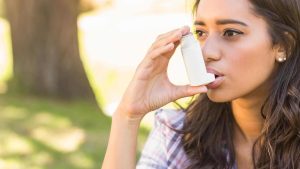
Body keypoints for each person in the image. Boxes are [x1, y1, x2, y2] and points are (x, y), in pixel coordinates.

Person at [102, 0, 300, 168]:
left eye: (230, 33)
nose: (206, 52)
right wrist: (127, 116)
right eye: (201, 33)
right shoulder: (179, 133)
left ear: (284, 45)